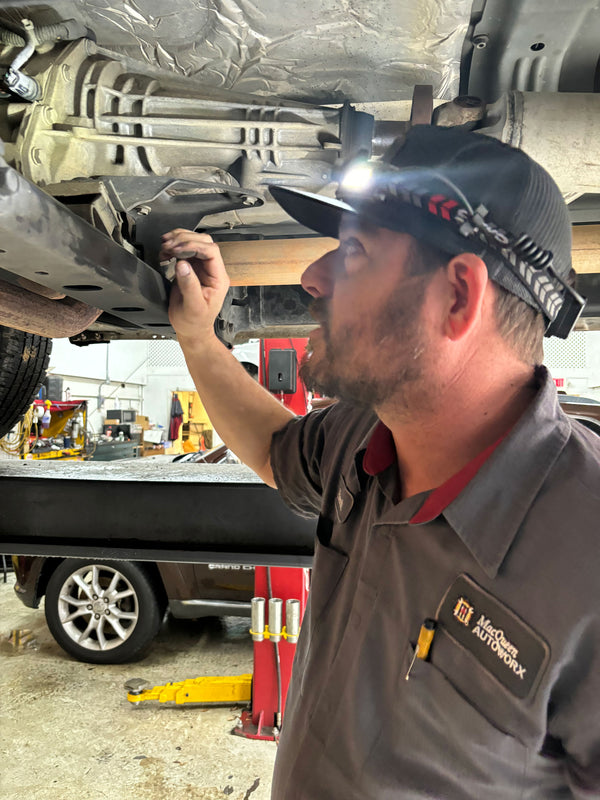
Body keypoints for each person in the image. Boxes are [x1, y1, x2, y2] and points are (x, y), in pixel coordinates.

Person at [161, 125, 600, 799]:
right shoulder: (368, 440)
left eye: (356, 252)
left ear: (457, 297)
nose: (312, 277)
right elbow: (278, 450)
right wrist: (198, 337)